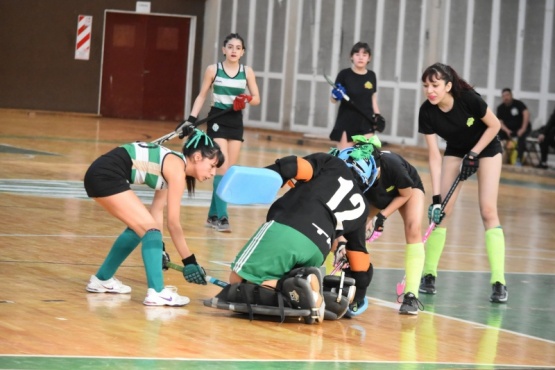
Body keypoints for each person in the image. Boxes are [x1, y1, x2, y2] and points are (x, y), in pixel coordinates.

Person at [207, 143, 379, 323]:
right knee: (266, 285)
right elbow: (360, 263)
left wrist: (265, 176)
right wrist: (357, 300)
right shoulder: (363, 209)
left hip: (288, 228)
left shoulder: (331, 162)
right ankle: (300, 286)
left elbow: (292, 166)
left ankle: (301, 288)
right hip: (316, 252)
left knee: (237, 280)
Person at [84, 129, 225, 306]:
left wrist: (160, 249)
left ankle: (102, 279)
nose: (213, 173)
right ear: (197, 157)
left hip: (99, 175)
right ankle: (157, 292)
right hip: (106, 176)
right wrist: (189, 261)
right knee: (149, 230)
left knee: (140, 229)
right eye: (212, 165)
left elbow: (156, 212)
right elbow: (173, 223)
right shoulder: (176, 170)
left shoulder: (172, 164)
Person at [418, 62, 508, 303]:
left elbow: (495, 125)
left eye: (435, 85)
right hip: (457, 150)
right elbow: (434, 156)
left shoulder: (468, 99)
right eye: (426, 86)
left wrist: (474, 154)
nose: (430, 91)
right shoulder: (427, 112)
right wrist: (436, 199)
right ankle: (428, 274)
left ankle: (499, 281)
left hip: (487, 148)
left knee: (488, 210)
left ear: (448, 85)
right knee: (441, 213)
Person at [181, 32, 260, 233]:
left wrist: (246, 99)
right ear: (224, 49)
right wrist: (191, 119)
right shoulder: (213, 69)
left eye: (238, 48)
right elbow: (202, 95)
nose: (234, 50)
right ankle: (223, 217)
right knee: (222, 167)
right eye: (230, 47)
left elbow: (257, 97)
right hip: (217, 118)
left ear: (242, 52)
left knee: (227, 169)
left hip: (235, 120)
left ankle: (212, 215)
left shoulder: (247, 71)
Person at [357, 136, 426, 315]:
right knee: (353, 229)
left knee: (413, 228)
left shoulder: (393, 165)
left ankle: (411, 295)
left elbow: (404, 195)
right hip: (376, 193)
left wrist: (381, 216)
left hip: (406, 190)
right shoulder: (356, 168)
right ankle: (341, 281)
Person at [329, 42, 386, 150]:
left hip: (366, 121)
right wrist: (335, 96)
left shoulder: (371, 76)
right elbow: (333, 100)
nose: (360, 58)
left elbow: (372, 98)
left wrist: (378, 115)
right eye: (357, 54)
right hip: (346, 122)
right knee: (344, 159)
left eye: (364, 55)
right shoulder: (344, 74)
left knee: (367, 159)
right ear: (351, 56)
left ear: (369, 58)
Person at [496, 88, 531, 166]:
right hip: (509, 130)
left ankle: (519, 159)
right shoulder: (500, 108)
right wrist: (506, 130)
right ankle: (496, 157)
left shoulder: (518, 104)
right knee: (497, 136)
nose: (506, 97)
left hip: (522, 128)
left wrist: (523, 128)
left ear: (511, 95)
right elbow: (500, 122)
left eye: (507, 95)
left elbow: (526, 114)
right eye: (504, 96)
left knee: (521, 138)